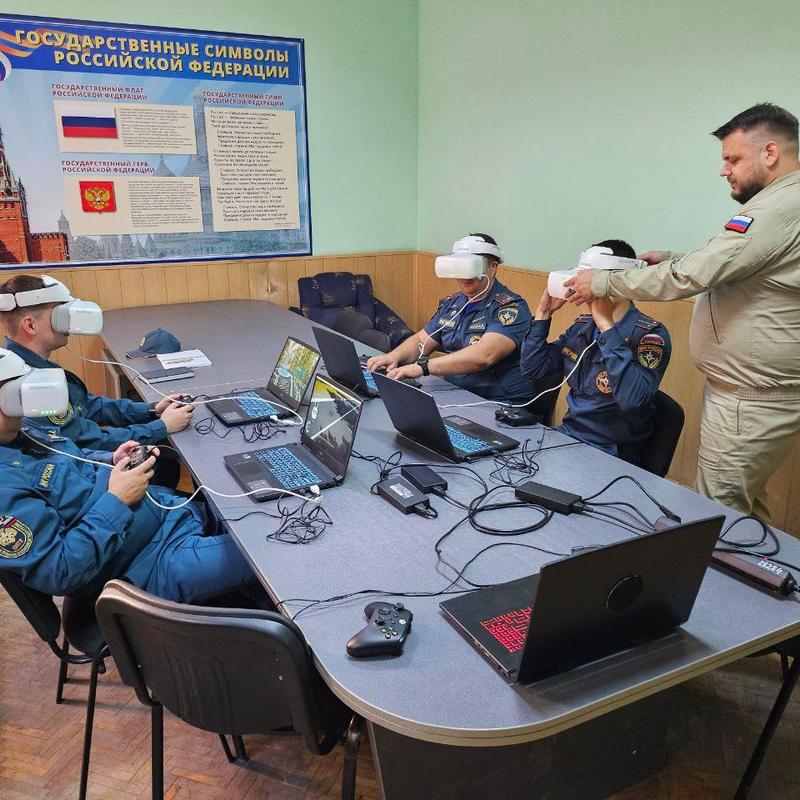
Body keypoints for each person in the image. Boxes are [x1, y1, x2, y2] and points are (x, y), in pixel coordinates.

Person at [565, 103, 800, 518]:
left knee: (720, 512)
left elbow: (693, 276)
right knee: (743, 508)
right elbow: (734, 267)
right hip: (749, 391)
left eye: (733, 159)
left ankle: (724, 563)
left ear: (769, 152)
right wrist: (673, 258)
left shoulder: (780, 208)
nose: (724, 170)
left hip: (751, 397)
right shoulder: (780, 204)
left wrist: (601, 283)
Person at [0, 347, 258, 603]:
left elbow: (69, 459)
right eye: (15, 395)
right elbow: (60, 572)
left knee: (257, 510)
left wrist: (111, 459)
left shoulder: (20, 434)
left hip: (169, 515)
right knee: (266, 554)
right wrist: (117, 500)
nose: (25, 403)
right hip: (152, 563)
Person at [0, 275, 192, 482]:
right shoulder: (28, 388)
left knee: (166, 462)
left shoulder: (36, 368)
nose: (69, 323)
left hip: (85, 461)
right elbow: (88, 440)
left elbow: (90, 406)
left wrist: (151, 410)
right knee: (165, 466)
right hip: (83, 472)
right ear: (30, 325)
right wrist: (161, 427)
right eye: (60, 315)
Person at [521, 240, 671, 464]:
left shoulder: (650, 336)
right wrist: (544, 313)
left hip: (613, 452)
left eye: (590, 280)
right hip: (569, 436)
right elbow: (534, 369)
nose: (582, 288)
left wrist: (607, 327)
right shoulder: (583, 326)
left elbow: (633, 401)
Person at [367, 233, 537, 402]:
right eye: (460, 265)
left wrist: (423, 367)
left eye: (472, 266)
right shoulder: (453, 304)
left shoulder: (510, 308)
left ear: (492, 268)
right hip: (453, 391)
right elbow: (421, 341)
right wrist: (394, 356)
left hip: (495, 400)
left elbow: (484, 356)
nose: (465, 275)